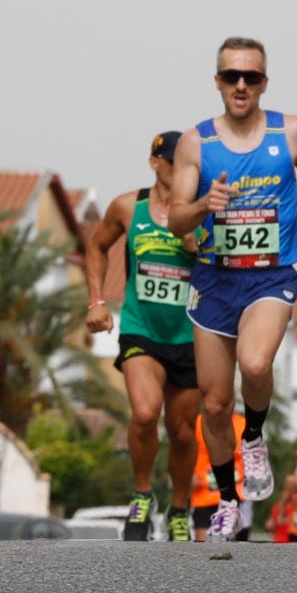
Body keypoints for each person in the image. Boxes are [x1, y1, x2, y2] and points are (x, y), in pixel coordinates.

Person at [171, 36, 297, 543]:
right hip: (215, 281)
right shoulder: (196, 143)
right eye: (231, 76)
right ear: (217, 82)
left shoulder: (290, 131)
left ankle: (255, 436)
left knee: (257, 364)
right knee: (216, 405)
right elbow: (176, 220)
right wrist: (204, 205)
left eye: (251, 77)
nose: (241, 85)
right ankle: (227, 501)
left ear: (264, 83)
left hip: (270, 275)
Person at [86, 131, 200, 542]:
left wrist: (197, 243)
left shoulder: (203, 208)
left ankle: (180, 508)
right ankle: (142, 494)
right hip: (141, 328)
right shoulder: (127, 207)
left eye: (188, 162)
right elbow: (96, 247)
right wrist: (97, 301)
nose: (181, 169)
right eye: (173, 161)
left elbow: (224, 261)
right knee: (145, 413)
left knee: (183, 432)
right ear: (155, 163)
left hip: (190, 334)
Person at [191, 411, 247, 541]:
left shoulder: (243, 423)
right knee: (203, 545)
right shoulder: (198, 422)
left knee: (229, 545)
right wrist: (189, 475)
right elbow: (185, 450)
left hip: (234, 496)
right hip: (204, 495)